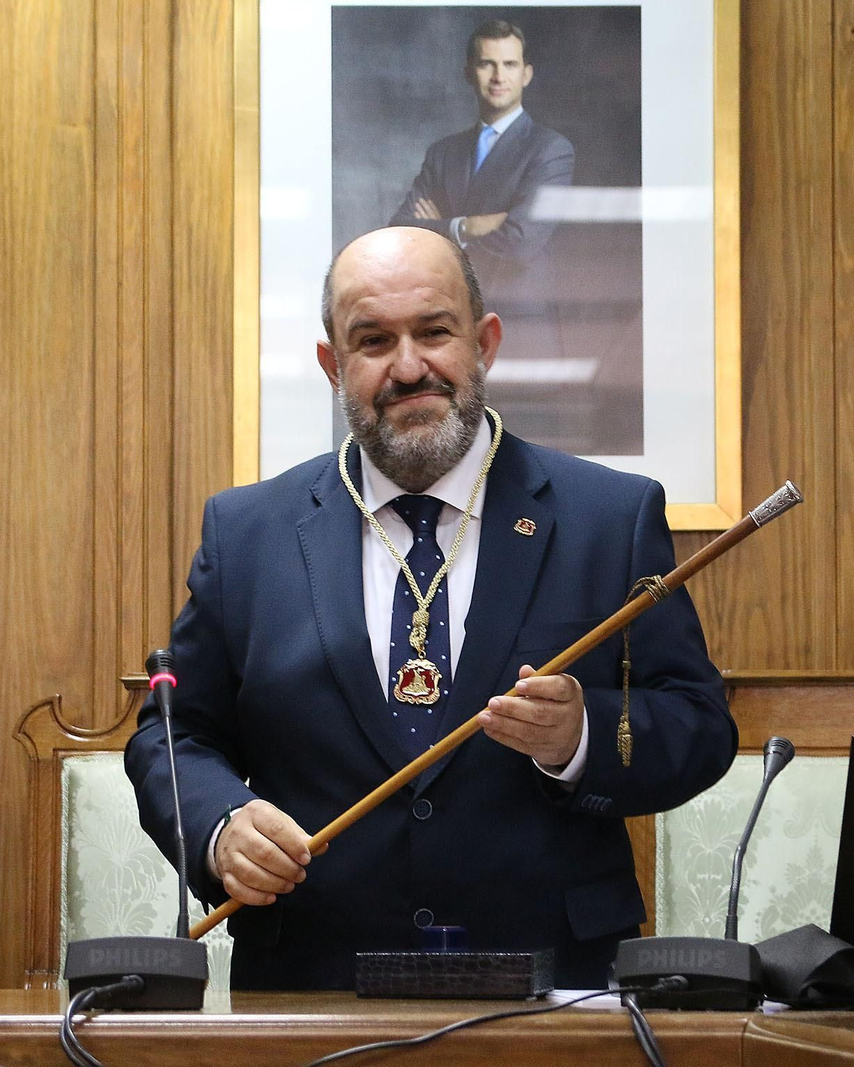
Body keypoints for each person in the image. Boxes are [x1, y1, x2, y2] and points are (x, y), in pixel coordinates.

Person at [125, 226, 735, 990]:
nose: (408, 366)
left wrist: (581, 734)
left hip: (553, 988)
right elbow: (173, 738)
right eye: (373, 340)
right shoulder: (248, 533)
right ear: (333, 365)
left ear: (484, 342)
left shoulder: (609, 517)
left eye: (435, 332)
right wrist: (221, 828)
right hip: (310, 989)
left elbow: (701, 726)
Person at [389, 20, 573, 364]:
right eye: (487, 63)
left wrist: (440, 227)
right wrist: (465, 227)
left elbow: (521, 242)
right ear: (469, 73)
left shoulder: (549, 149)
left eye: (509, 64)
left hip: (522, 331)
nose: (498, 76)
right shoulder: (443, 153)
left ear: (526, 74)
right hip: (448, 332)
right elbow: (401, 232)